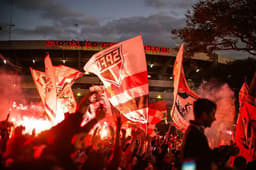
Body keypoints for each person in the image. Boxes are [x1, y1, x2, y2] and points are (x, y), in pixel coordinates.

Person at [181, 98, 217, 170]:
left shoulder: (195, 132)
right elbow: (188, 165)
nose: (214, 118)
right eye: (212, 114)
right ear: (204, 115)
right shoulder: (194, 135)